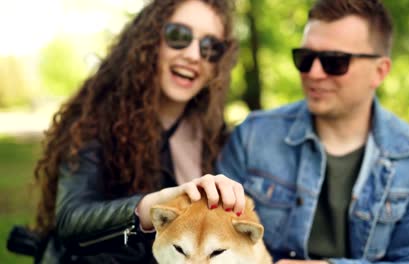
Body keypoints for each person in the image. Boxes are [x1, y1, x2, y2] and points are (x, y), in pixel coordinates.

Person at [216, 0, 409, 263]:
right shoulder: (252, 136)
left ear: (380, 71)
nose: (314, 73)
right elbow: (215, 236)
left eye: (335, 61)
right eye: (305, 58)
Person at [16, 0, 245, 263]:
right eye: (178, 36)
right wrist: (147, 208)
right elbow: (70, 220)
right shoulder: (95, 119)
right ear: (149, 41)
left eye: (210, 47)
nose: (194, 55)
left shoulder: (213, 136)